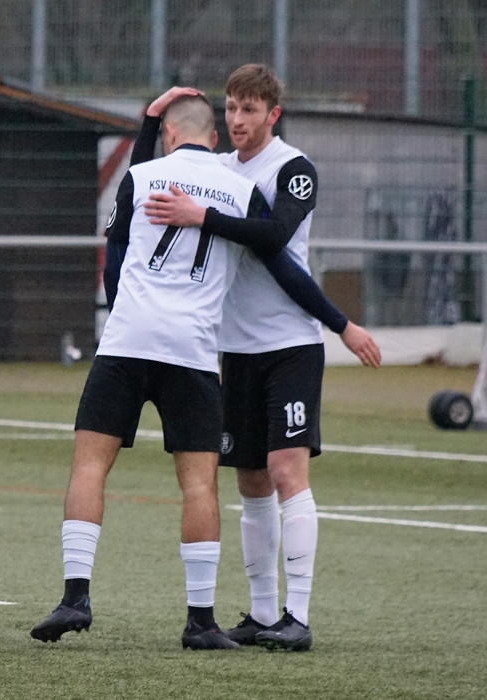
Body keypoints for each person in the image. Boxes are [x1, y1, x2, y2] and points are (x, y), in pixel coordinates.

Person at [29, 92, 334, 651]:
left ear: (168, 135)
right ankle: (200, 621)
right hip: (192, 350)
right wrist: (340, 323)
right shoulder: (240, 189)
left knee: (90, 467)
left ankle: (75, 596)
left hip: (127, 342)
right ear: (214, 139)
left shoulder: (141, 177)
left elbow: (114, 254)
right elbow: (279, 256)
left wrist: (121, 310)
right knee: (198, 483)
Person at [144, 65, 382, 651]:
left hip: (291, 345)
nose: (237, 120)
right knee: (250, 480)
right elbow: (150, 174)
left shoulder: (293, 169)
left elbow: (274, 237)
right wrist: (152, 120)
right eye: (230, 108)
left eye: (249, 110)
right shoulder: (220, 170)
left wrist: (341, 326)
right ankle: (261, 613)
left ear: (272, 114)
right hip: (235, 347)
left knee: (285, 471)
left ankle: (297, 616)